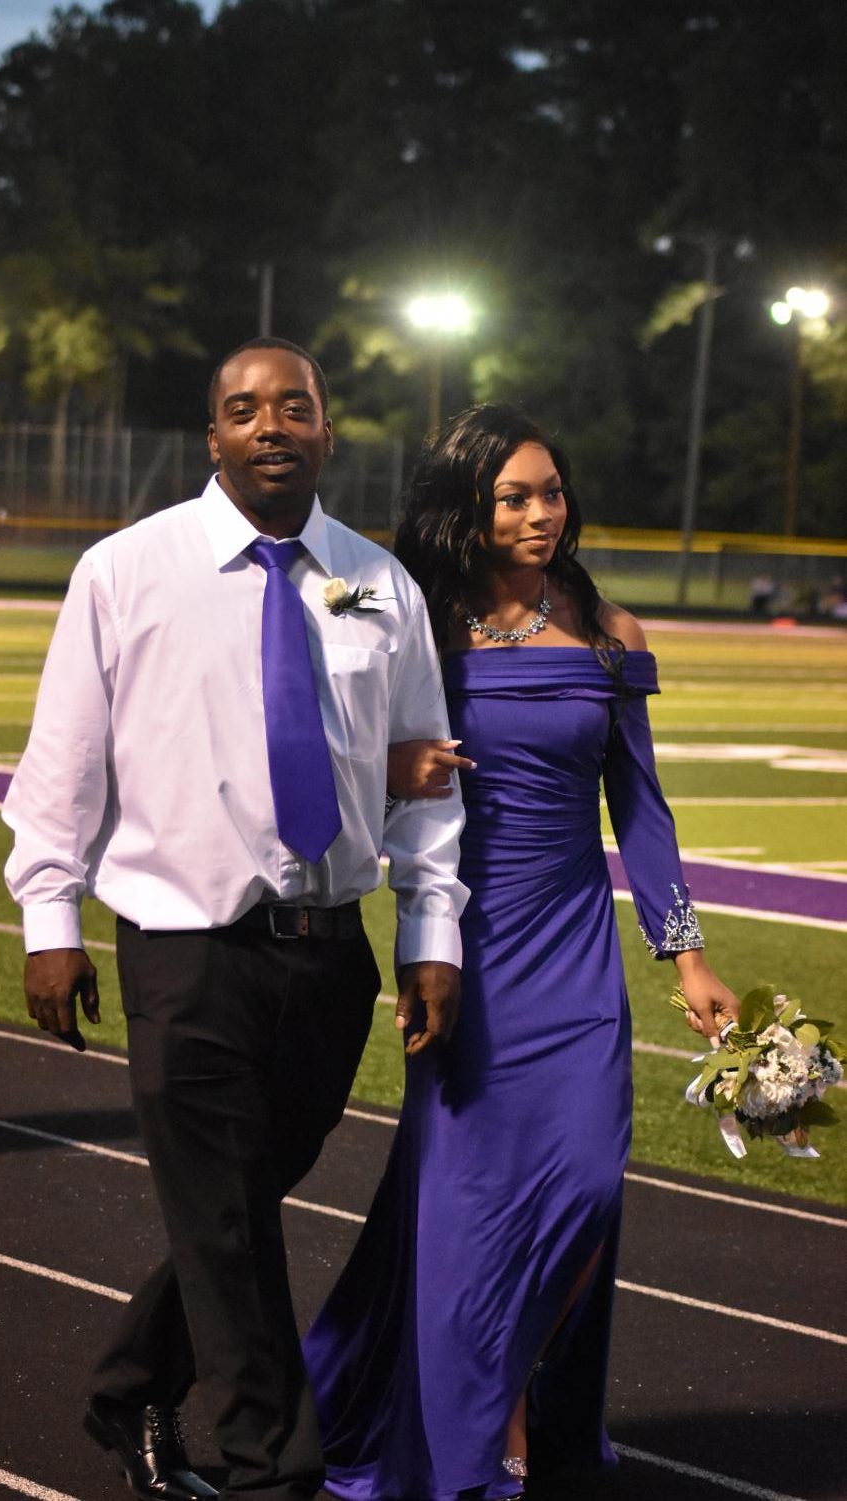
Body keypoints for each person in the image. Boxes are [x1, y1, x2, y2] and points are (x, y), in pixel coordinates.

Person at [2, 339, 468, 1501]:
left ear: (326, 430)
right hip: (183, 949)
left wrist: (428, 936)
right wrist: (47, 914)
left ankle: (127, 1385)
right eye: (245, 409)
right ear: (211, 436)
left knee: (239, 1206)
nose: (272, 425)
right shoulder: (125, 570)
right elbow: (63, 758)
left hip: (327, 957)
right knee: (223, 1209)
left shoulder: (379, 583)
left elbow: (426, 776)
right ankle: (274, 1472)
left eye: (294, 407)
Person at [303, 405, 739, 1498]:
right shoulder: (407, 605)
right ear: (468, 507)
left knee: (585, 1187)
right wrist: (381, 760)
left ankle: (507, 1389)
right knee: (470, 1205)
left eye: (551, 491)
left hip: (576, 949)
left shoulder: (609, 628)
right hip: (460, 943)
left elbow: (641, 806)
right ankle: (487, 1423)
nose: (542, 512)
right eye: (515, 496)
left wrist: (685, 958)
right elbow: (294, 611)